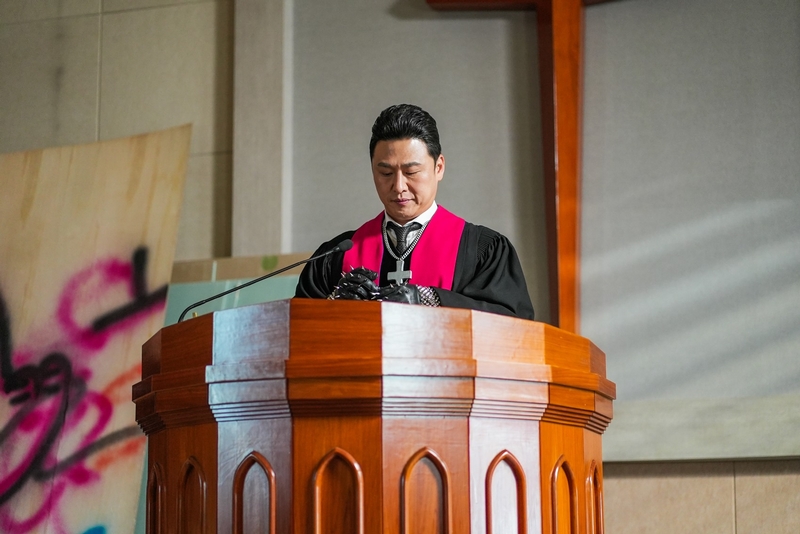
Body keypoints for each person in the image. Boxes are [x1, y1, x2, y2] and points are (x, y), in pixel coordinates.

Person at [294, 104, 534, 320]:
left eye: (411, 172)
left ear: (439, 167)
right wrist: (334, 306)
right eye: (386, 173)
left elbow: (513, 327)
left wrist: (429, 299)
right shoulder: (337, 255)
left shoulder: (482, 250)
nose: (398, 186)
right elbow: (298, 330)